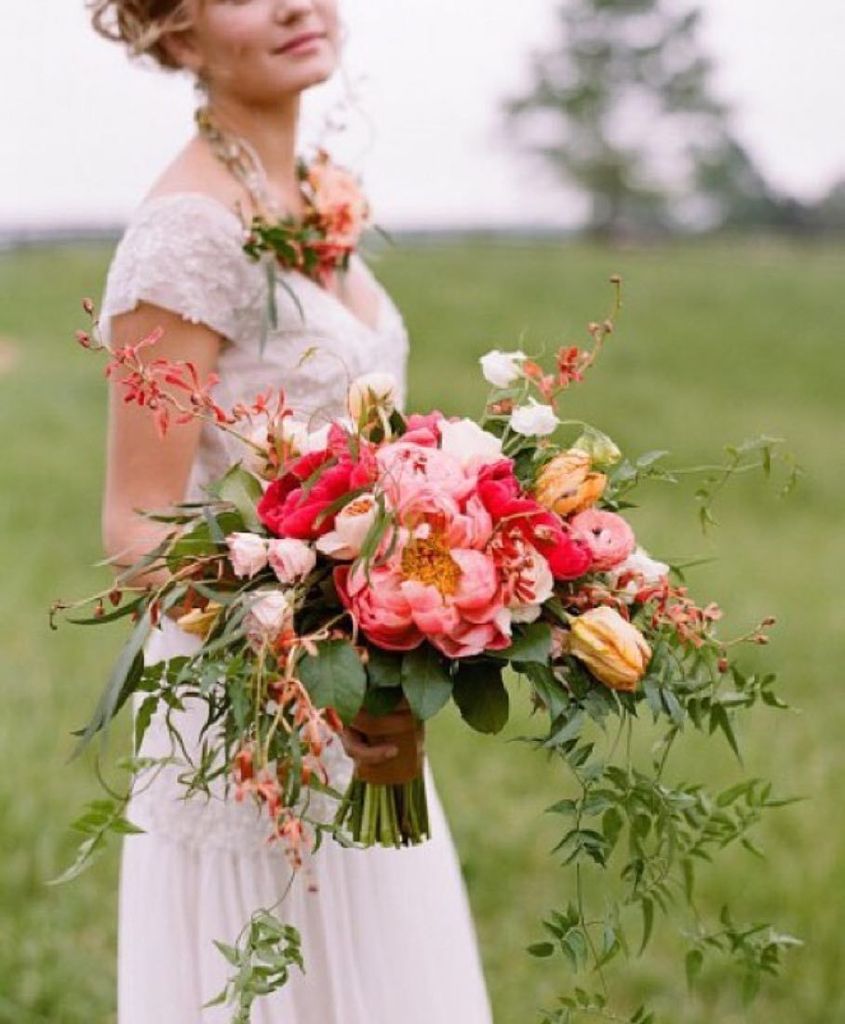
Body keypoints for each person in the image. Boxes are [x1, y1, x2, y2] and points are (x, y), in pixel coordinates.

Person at [89, 1, 495, 1021]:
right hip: (257, 713)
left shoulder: (316, 192)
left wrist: (411, 614)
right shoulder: (186, 228)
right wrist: (312, 643)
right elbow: (136, 525)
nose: (291, 4)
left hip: (366, 693)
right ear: (172, 32)